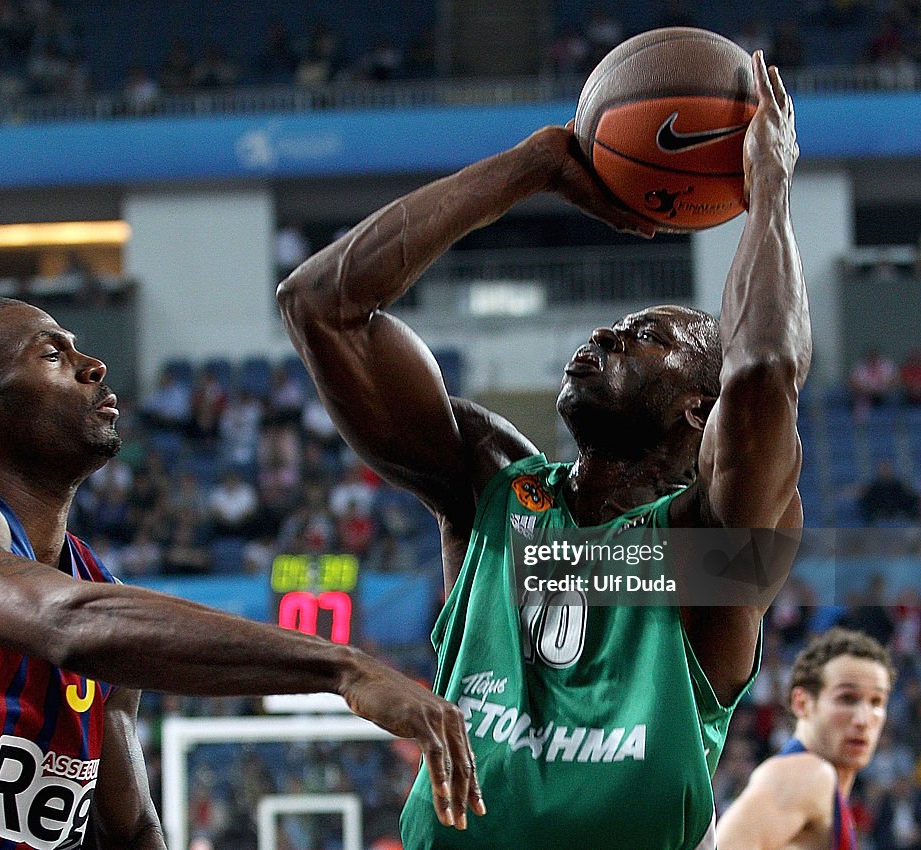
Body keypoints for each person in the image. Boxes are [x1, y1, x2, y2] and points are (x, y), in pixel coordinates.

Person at [278, 51, 809, 849]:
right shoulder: (488, 485)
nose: (604, 335)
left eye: (646, 337)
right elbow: (322, 304)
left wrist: (766, 191)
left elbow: (766, 371)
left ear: (703, 407)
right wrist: (532, 167)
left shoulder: (710, 551)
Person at [0, 296, 482, 847]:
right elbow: (65, 622)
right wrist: (343, 668)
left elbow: (131, 832)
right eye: (52, 354)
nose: (94, 365)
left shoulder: (103, 595)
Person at [716, 628, 896, 850]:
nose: (863, 719)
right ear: (802, 703)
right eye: (846, 698)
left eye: (876, 701)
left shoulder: (825, 791)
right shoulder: (807, 773)